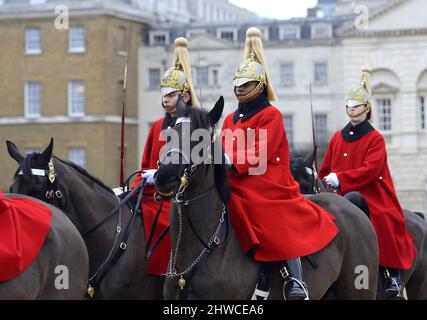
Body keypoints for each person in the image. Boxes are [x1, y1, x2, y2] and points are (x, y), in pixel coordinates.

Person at [221, 27, 339, 300]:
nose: (240, 89)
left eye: (246, 85)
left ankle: (295, 278)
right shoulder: (230, 119)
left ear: (260, 86)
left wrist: (231, 160)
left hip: (267, 179)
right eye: (237, 85)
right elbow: (224, 148)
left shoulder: (270, 115)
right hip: (235, 175)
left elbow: (261, 152)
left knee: (267, 212)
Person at [319, 66, 416, 298]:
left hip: (372, 192)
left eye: (357, 107)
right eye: (349, 107)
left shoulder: (375, 139)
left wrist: (341, 178)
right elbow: (325, 168)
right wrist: (324, 180)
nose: (352, 111)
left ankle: (390, 273)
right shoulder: (336, 137)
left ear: (367, 109)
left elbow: (371, 170)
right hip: (340, 195)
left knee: (382, 219)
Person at [131, 37, 199, 276]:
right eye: (164, 94)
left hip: (181, 196)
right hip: (154, 193)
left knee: (158, 220)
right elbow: (145, 166)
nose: (165, 99)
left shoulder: (194, 127)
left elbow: (193, 170)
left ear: (185, 97)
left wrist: (160, 175)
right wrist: (138, 185)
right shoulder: (157, 125)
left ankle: (163, 272)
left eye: (171, 95)